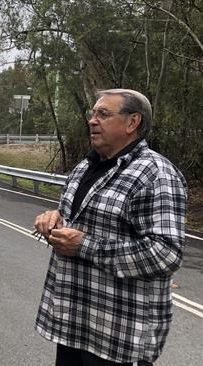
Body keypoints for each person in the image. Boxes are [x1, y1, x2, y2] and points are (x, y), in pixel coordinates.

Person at [33, 89, 187, 366]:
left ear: (132, 123)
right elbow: (78, 220)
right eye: (92, 114)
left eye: (103, 114)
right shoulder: (85, 167)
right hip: (74, 322)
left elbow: (166, 253)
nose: (92, 120)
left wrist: (84, 245)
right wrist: (52, 219)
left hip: (119, 334)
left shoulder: (156, 174)